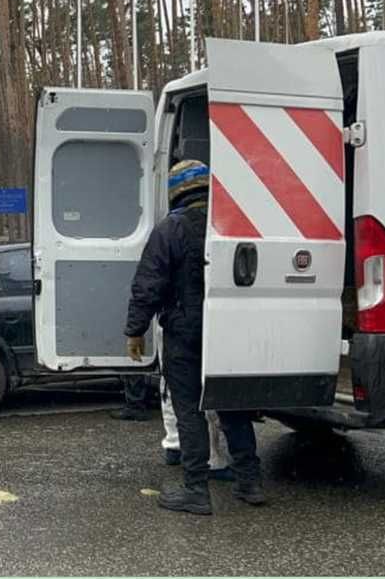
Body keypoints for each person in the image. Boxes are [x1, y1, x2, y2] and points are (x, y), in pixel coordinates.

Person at [124, 160, 263, 515]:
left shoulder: (170, 229)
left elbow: (148, 284)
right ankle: (250, 482)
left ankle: (196, 490)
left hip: (184, 331)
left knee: (188, 409)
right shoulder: (229, 226)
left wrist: (135, 330)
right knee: (232, 404)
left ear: (177, 191)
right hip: (226, 328)